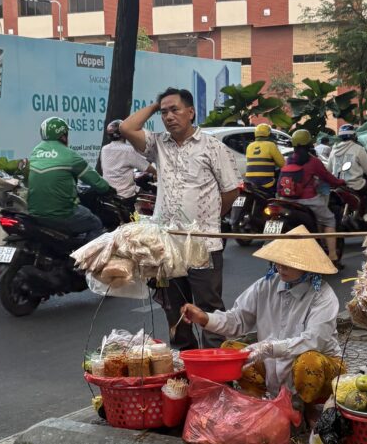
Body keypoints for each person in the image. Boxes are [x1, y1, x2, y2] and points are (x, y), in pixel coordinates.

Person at [120, 88, 240, 350]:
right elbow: (127, 128)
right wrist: (155, 104)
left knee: (209, 310)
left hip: (203, 245)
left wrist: (210, 219)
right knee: (174, 310)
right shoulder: (159, 144)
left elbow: (230, 191)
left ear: (191, 112)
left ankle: (216, 375)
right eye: (164, 112)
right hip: (169, 246)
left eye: (175, 109)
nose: (169, 116)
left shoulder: (212, 146)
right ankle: (187, 367)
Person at [180, 225, 344, 405]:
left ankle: (305, 408)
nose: (280, 267)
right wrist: (204, 318)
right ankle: (259, 402)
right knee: (231, 349)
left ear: (307, 267)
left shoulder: (323, 296)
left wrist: (269, 348)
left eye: (289, 263)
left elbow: (313, 341)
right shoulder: (265, 286)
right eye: (278, 261)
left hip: (320, 369)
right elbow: (237, 320)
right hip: (273, 367)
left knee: (309, 362)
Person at [26, 117, 108, 241]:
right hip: (62, 213)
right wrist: (108, 189)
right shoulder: (69, 154)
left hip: (35, 212)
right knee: (95, 223)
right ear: (63, 136)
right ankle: (84, 260)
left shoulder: (35, 152)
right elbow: (96, 182)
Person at [279, 130, 348, 263]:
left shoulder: (289, 160)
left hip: (286, 200)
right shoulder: (313, 161)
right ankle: (332, 255)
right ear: (309, 144)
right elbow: (327, 177)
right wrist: (341, 182)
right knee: (329, 220)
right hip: (308, 200)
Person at [98, 119, 153, 215]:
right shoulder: (128, 150)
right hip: (125, 196)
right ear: (124, 134)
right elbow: (147, 167)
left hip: (109, 195)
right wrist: (157, 172)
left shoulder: (104, 149)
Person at [328, 124, 367, 218]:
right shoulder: (358, 149)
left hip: (338, 185)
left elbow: (329, 169)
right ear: (354, 136)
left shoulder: (334, 150)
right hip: (355, 184)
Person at [243, 123, 285, 193]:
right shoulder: (271, 145)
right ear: (269, 134)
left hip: (250, 181)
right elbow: (282, 164)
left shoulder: (250, 146)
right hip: (265, 182)